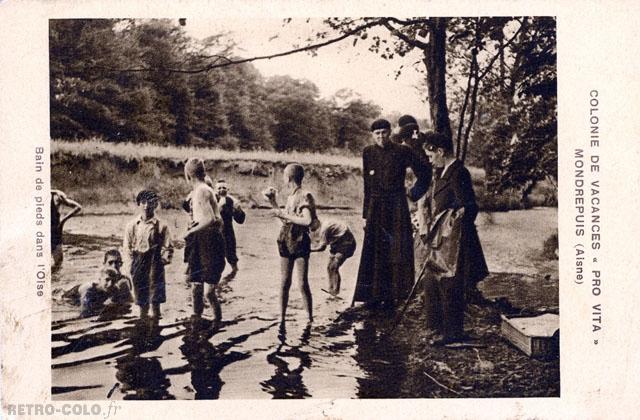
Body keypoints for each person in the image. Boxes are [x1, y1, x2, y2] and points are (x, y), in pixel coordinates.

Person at [353, 119, 431, 309]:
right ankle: (374, 296)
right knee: (375, 249)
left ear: (390, 133)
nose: (381, 137)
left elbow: (425, 172)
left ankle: (398, 294)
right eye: (377, 133)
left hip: (396, 205)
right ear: (373, 135)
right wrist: (366, 214)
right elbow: (367, 184)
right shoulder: (368, 152)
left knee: (397, 249)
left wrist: (412, 193)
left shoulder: (402, 151)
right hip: (376, 206)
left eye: (384, 132)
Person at [418, 131, 489, 345]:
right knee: (434, 280)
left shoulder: (459, 173)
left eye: (430, 155)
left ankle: (452, 334)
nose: (430, 160)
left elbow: (469, 207)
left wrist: (448, 225)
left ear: (440, 151)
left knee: (451, 284)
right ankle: (437, 328)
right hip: (443, 240)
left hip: (456, 241)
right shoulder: (443, 173)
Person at [265, 164, 317, 324]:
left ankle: (308, 318)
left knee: (301, 283)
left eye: (284, 176)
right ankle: (282, 318)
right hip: (286, 239)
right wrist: (273, 202)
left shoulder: (304, 195)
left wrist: (283, 214)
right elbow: (285, 220)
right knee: (285, 281)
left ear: (288, 178)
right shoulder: (291, 197)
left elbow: (307, 221)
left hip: (300, 240)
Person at [183, 158, 226, 325]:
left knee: (208, 291)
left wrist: (188, 232)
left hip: (208, 240)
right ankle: (197, 319)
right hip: (204, 239)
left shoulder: (201, 190)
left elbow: (209, 219)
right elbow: (216, 218)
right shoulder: (202, 190)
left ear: (188, 175)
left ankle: (216, 322)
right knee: (196, 284)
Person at [123, 190, 173, 319]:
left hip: (155, 265)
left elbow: (168, 247)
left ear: (155, 204)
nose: (146, 206)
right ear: (139, 204)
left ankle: (156, 329)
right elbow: (127, 248)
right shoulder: (132, 225)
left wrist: (164, 259)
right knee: (141, 302)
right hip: (138, 264)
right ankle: (142, 327)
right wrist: (130, 268)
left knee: (155, 302)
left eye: (150, 203)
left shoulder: (162, 225)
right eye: (143, 203)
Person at [76, 249, 133, 317]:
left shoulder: (124, 280)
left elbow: (128, 301)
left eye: (117, 262)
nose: (114, 265)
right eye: (110, 262)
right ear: (104, 264)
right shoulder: (97, 280)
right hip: (75, 295)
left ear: (121, 264)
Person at [309, 218, 356, 297]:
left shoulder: (324, 229)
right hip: (337, 242)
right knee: (329, 267)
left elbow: (322, 248)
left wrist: (308, 250)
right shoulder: (323, 224)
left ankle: (335, 292)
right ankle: (331, 290)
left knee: (334, 267)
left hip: (347, 243)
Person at [212, 179, 246, 279]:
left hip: (228, 233)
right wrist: (220, 205)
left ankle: (231, 279)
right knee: (216, 261)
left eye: (224, 188)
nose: (222, 190)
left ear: (228, 190)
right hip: (215, 234)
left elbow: (240, 220)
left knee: (232, 260)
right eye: (219, 188)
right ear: (215, 190)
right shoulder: (212, 199)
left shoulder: (231, 201)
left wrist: (238, 210)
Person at [51, 189, 82, 271]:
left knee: (58, 263)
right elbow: (78, 207)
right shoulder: (55, 195)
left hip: (54, 232)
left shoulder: (56, 197)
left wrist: (63, 220)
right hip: (53, 232)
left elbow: (78, 207)